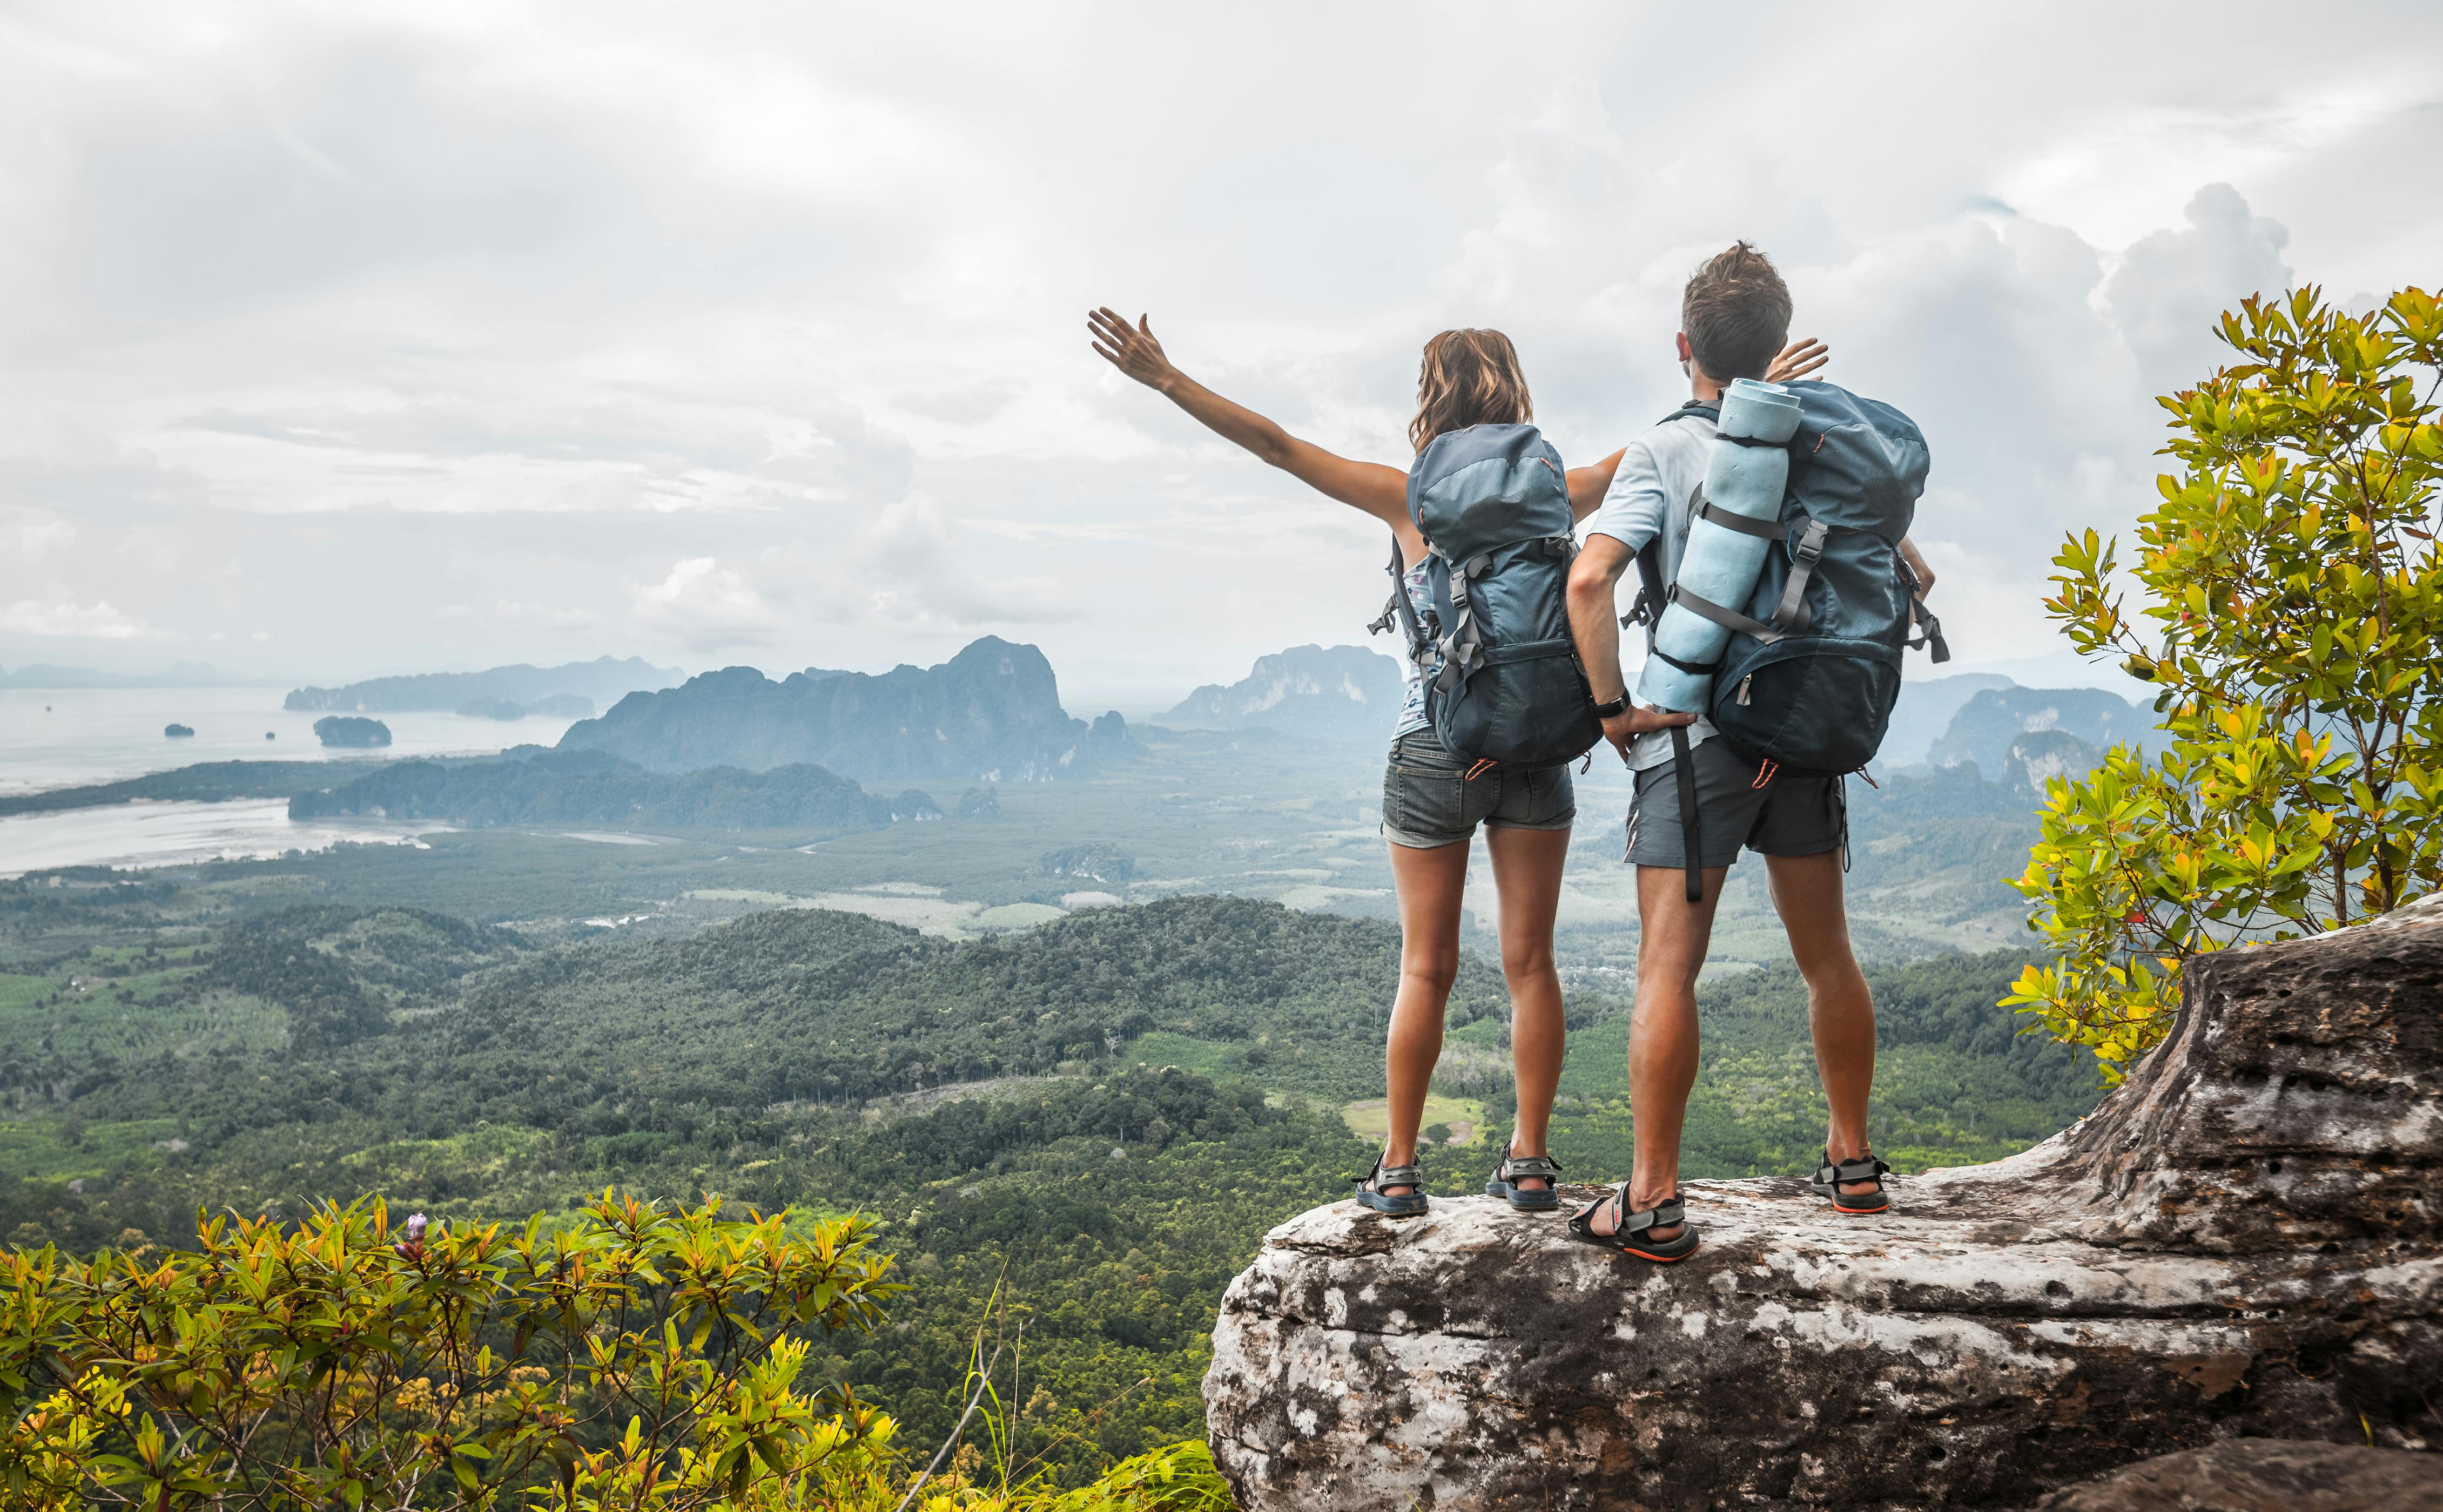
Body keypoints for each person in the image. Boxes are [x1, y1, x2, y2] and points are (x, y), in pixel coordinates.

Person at [1086, 307, 1826, 1219]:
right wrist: (1762, 391)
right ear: (1516, 395)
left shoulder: (1411, 498)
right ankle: (1528, 1164)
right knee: (1532, 967)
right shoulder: (1566, 491)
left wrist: (1168, 380)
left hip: (1435, 748)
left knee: (1425, 968)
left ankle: (1397, 1172)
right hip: (1540, 751)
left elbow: (1278, 446)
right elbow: (1682, 448)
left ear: (1431, 400)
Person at [1562, 242, 1936, 1261]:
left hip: (1699, 742)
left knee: (1666, 970)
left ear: (1684, 346)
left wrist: (1611, 709)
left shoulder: (1664, 452)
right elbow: (1922, 580)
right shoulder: (1824, 446)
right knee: (1829, 959)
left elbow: (1590, 583)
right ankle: (1854, 1163)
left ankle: (1652, 1201)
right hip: (1811, 730)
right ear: (1783, 345)